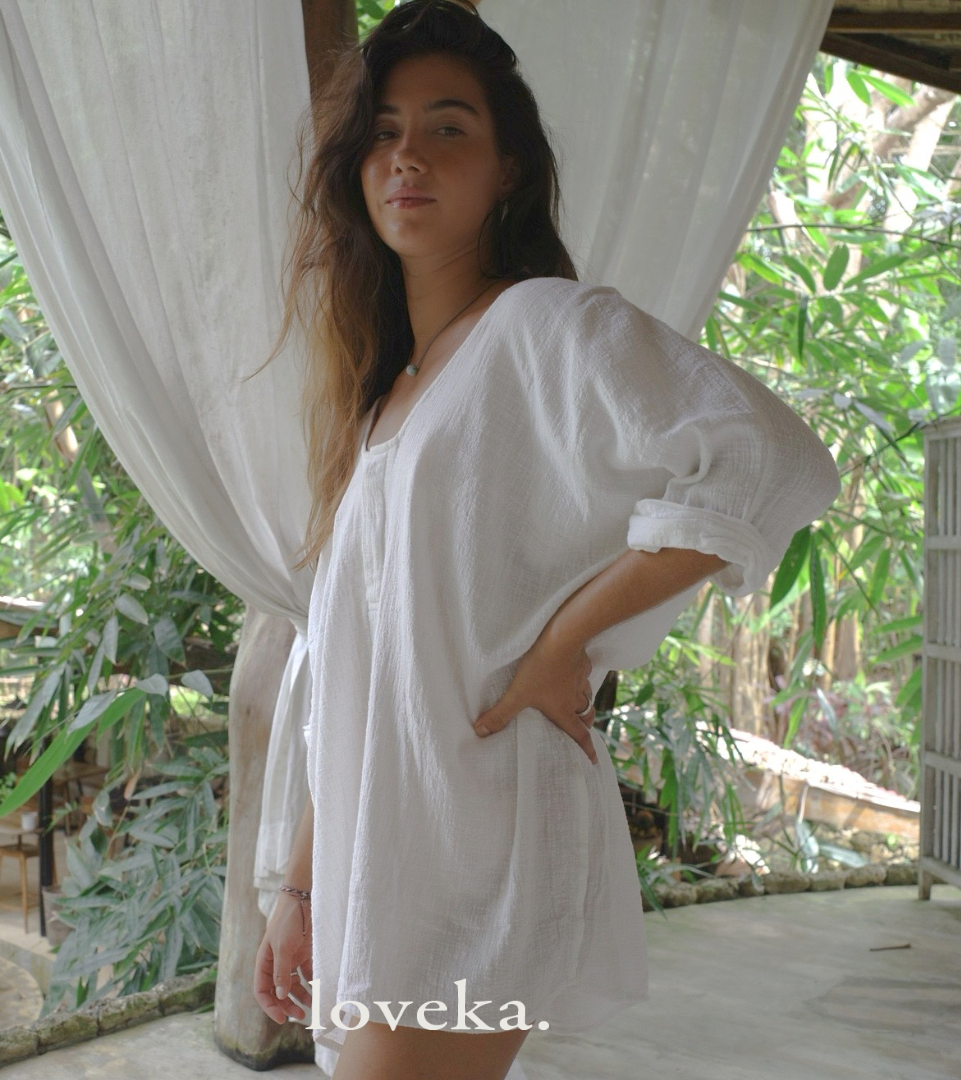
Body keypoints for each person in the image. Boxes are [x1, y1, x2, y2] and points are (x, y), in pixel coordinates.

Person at [252, 3, 840, 1078]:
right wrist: (301, 883)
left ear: (508, 169)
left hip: (485, 836)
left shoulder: (540, 326)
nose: (408, 157)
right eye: (384, 132)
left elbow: (769, 456)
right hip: (386, 852)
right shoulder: (385, 399)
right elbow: (357, 672)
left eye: (448, 128)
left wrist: (565, 643)